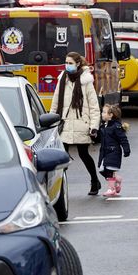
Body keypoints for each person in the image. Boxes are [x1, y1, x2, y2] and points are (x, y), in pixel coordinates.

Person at [50, 52, 102, 195]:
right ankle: (59, 188)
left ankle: (94, 181)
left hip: (82, 123)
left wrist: (94, 127)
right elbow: (55, 104)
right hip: (65, 123)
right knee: (62, 157)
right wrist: (51, 122)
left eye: (70, 63)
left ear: (78, 64)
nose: (68, 65)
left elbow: (94, 107)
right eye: (66, 63)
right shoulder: (62, 80)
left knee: (83, 154)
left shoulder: (86, 81)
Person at [98, 104, 131, 198]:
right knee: (102, 170)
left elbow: (123, 139)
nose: (102, 114)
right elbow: (100, 138)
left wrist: (126, 150)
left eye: (104, 112)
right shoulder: (103, 126)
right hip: (105, 152)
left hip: (114, 152)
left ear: (111, 115)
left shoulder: (116, 127)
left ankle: (111, 189)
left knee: (109, 170)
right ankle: (117, 179)